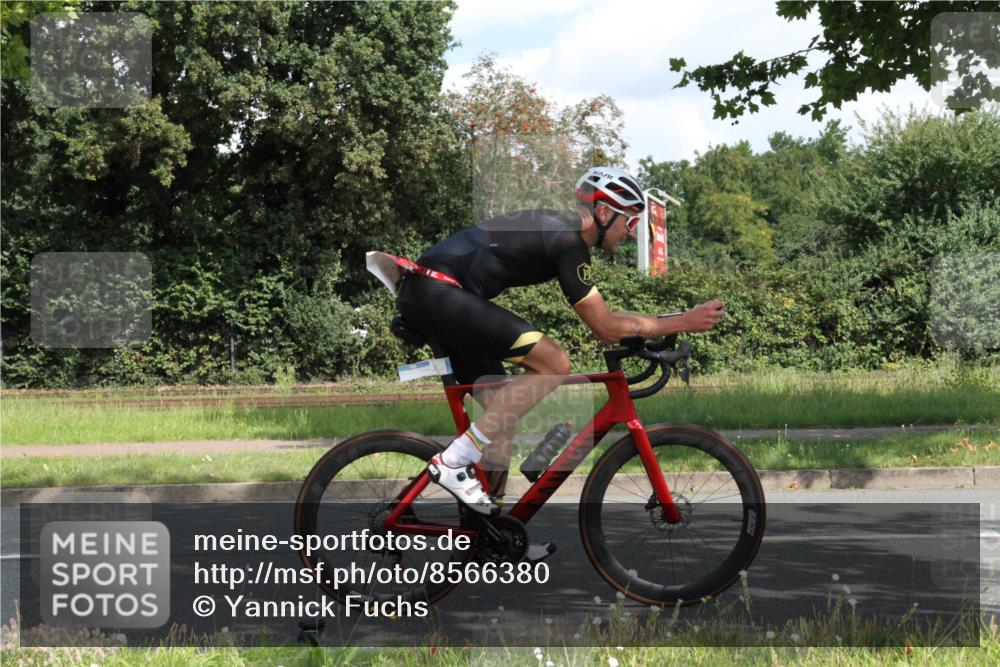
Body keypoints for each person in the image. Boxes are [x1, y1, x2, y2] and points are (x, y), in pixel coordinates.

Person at [396, 166, 726, 525]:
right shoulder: (567, 239)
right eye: (631, 222)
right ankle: (452, 462)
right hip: (438, 292)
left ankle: (490, 530)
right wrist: (683, 321)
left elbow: (608, 320)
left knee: (500, 417)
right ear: (604, 212)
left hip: (435, 294)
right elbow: (604, 326)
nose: (632, 234)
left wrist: (663, 322)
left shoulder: (561, 232)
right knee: (554, 363)